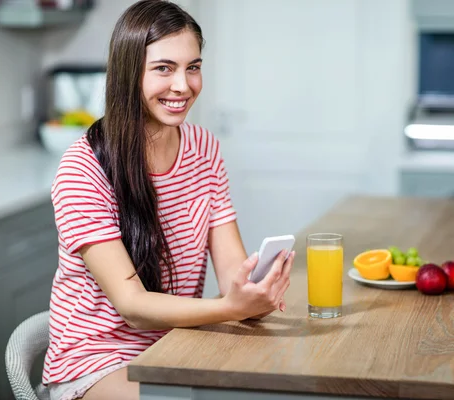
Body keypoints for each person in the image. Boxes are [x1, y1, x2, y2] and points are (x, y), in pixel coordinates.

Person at [41, 1, 294, 399]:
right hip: (97, 362)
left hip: (176, 348)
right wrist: (232, 308)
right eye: (164, 68)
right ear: (128, 73)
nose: (183, 85)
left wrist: (254, 290)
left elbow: (230, 272)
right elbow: (133, 305)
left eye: (193, 67)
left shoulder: (204, 148)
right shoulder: (83, 167)